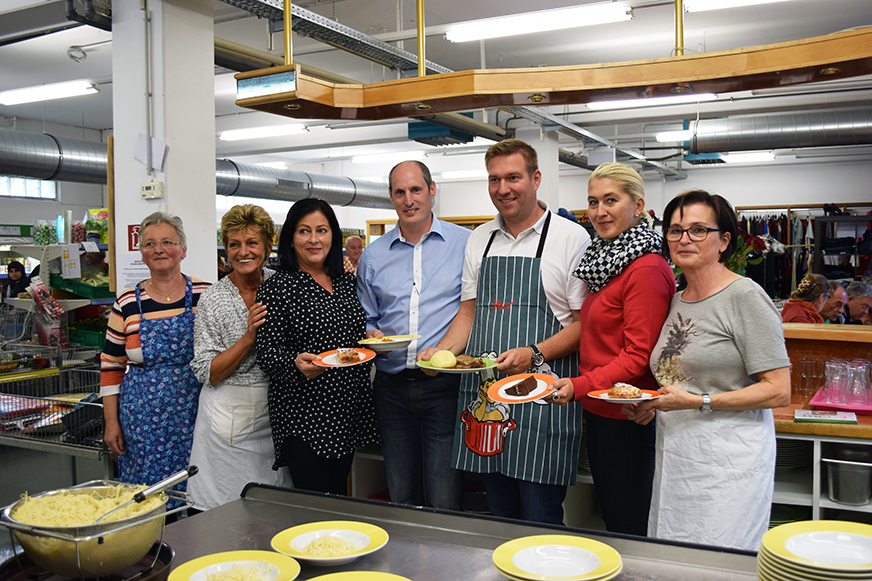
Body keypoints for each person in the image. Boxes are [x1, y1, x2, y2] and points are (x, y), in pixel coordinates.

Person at [420, 139, 591, 525]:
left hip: (544, 398)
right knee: (497, 516)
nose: (503, 188)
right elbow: (468, 313)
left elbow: (584, 326)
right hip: (485, 401)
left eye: (513, 177)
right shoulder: (480, 238)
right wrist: (442, 354)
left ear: (536, 178)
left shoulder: (570, 237)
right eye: (494, 179)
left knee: (539, 517)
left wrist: (534, 352)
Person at [626, 189, 791, 551]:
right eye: (675, 230)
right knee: (673, 555)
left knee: (719, 559)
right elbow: (679, 379)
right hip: (677, 455)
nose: (684, 239)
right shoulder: (676, 300)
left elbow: (778, 390)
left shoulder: (744, 296)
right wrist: (651, 403)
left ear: (724, 241)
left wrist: (698, 401)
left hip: (729, 460)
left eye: (698, 230)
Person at [548, 162, 675, 536]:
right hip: (604, 410)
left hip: (629, 416)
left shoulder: (646, 268)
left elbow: (639, 356)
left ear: (638, 206)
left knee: (627, 526)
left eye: (610, 200)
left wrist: (578, 385)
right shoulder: (608, 261)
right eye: (592, 202)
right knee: (613, 519)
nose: (600, 212)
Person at [357, 160, 470, 510]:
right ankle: (406, 565)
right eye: (400, 192)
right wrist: (371, 331)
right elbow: (367, 316)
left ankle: (444, 565)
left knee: (444, 493)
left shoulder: (466, 244)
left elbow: (473, 309)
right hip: (391, 388)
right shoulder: (373, 256)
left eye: (416, 190)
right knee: (401, 492)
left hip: (444, 387)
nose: (409, 200)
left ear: (432, 190)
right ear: (390, 197)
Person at [256, 198, 378, 495]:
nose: (313, 239)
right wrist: (294, 363)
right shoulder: (277, 287)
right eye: (303, 231)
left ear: (333, 236)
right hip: (304, 412)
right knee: (314, 506)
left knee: (338, 496)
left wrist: (371, 336)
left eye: (322, 230)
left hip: (346, 408)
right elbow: (267, 352)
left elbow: (352, 335)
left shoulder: (346, 282)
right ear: (290, 238)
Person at [101, 212, 211, 508]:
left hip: (195, 412)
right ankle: (153, 551)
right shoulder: (125, 302)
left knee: (198, 489)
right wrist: (111, 423)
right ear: (142, 253)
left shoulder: (207, 294)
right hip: (142, 419)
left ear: (183, 250)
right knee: (147, 495)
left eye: (167, 242)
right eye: (149, 243)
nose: (158, 249)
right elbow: (111, 365)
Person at [189, 205, 290, 511]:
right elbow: (208, 372)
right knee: (225, 510)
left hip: (275, 414)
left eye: (252, 243)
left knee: (272, 508)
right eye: (234, 244)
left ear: (268, 246)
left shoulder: (282, 285)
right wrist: (248, 338)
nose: (243, 252)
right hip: (225, 420)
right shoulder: (213, 298)